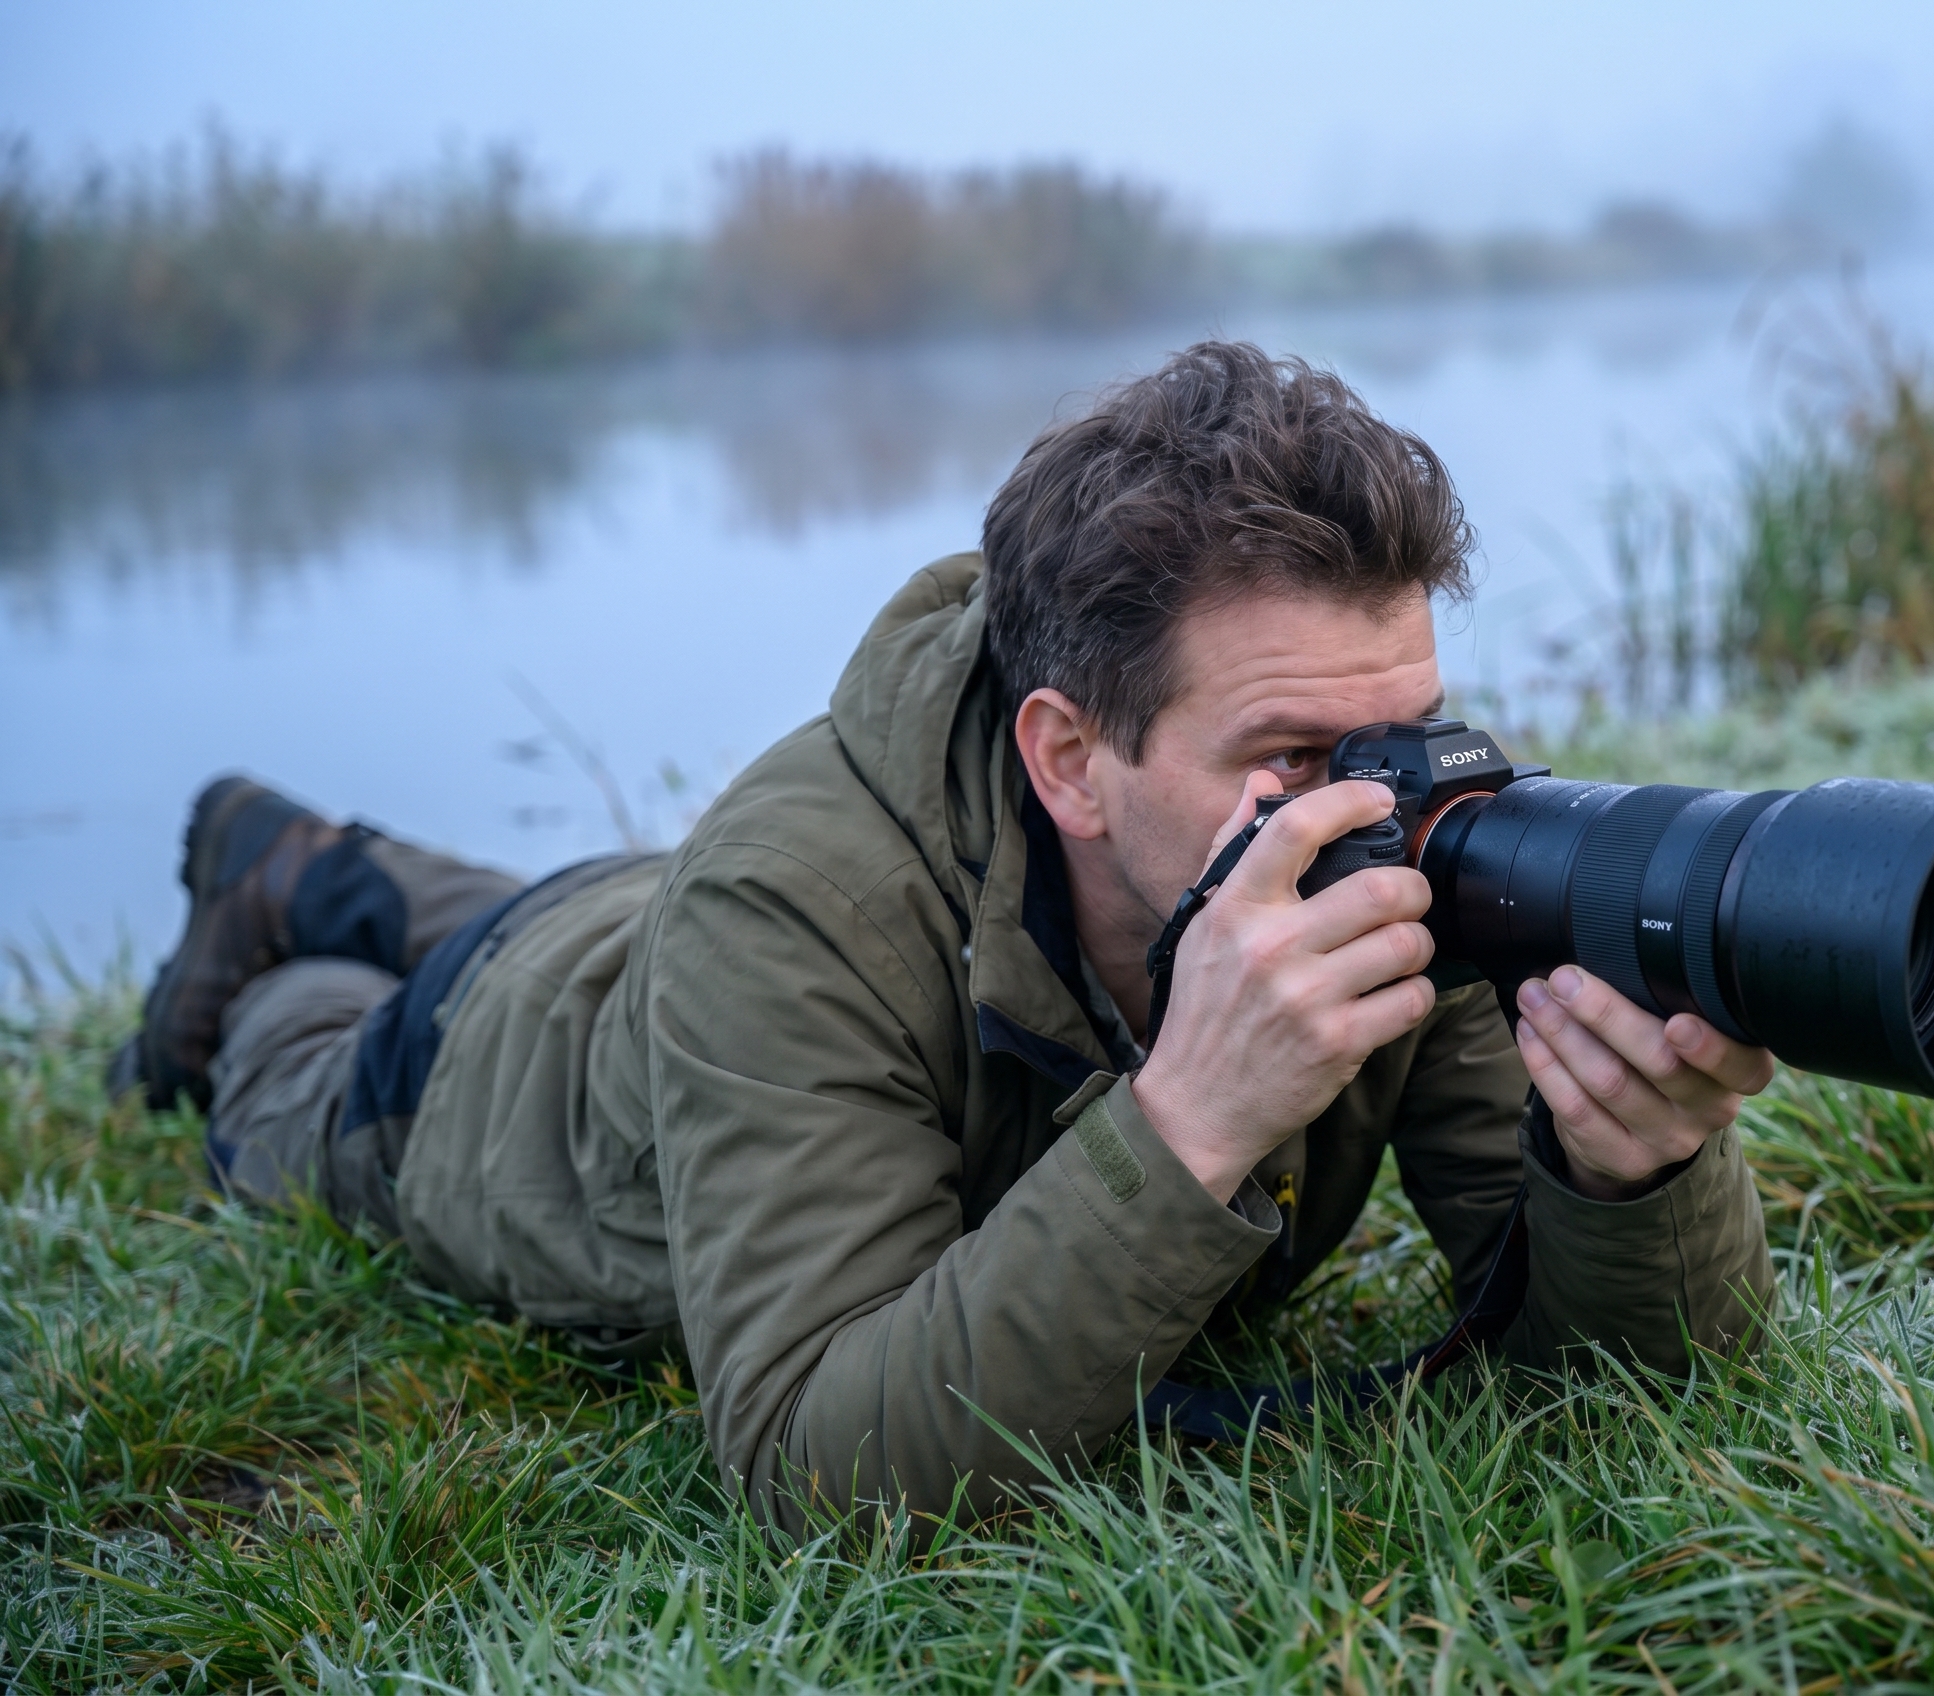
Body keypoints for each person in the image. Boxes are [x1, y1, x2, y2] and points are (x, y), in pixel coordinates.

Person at [112, 341, 1777, 1533]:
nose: (1377, 799)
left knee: (597, 903)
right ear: (1069, 753)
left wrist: (1630, 1175)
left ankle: (327, 857)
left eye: (1405, 727)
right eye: (1290, 756)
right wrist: (1190, 1121)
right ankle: (285, 920)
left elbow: (1609, 1378)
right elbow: (809, 1468)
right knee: (313, 1045)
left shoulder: (1375, 841)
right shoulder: (788, 911)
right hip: (484, 1075)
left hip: (667, 926)